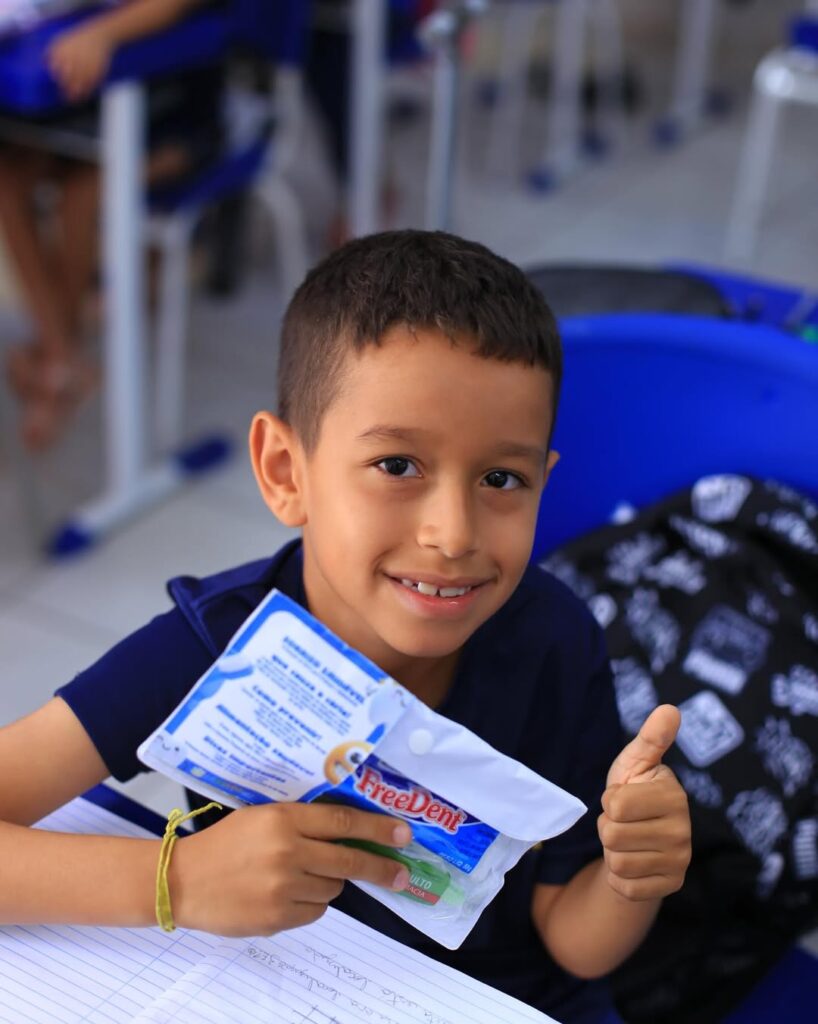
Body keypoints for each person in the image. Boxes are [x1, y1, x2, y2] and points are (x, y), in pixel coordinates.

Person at [0, 230, 691, 1024]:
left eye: (502, 478)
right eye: (398, 466)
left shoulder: (553, 642)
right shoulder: (215, 647)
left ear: (544, 480)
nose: (453, 534)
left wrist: (632, 876)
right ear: (285, 472)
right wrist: (179, 881)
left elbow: (575, 944)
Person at [0, 0, 223, 449]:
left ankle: (58, 356)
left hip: (176, 109)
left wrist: (102, 33)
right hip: (83, 99)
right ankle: (61, 352)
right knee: (8, 177)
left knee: (83, 193)